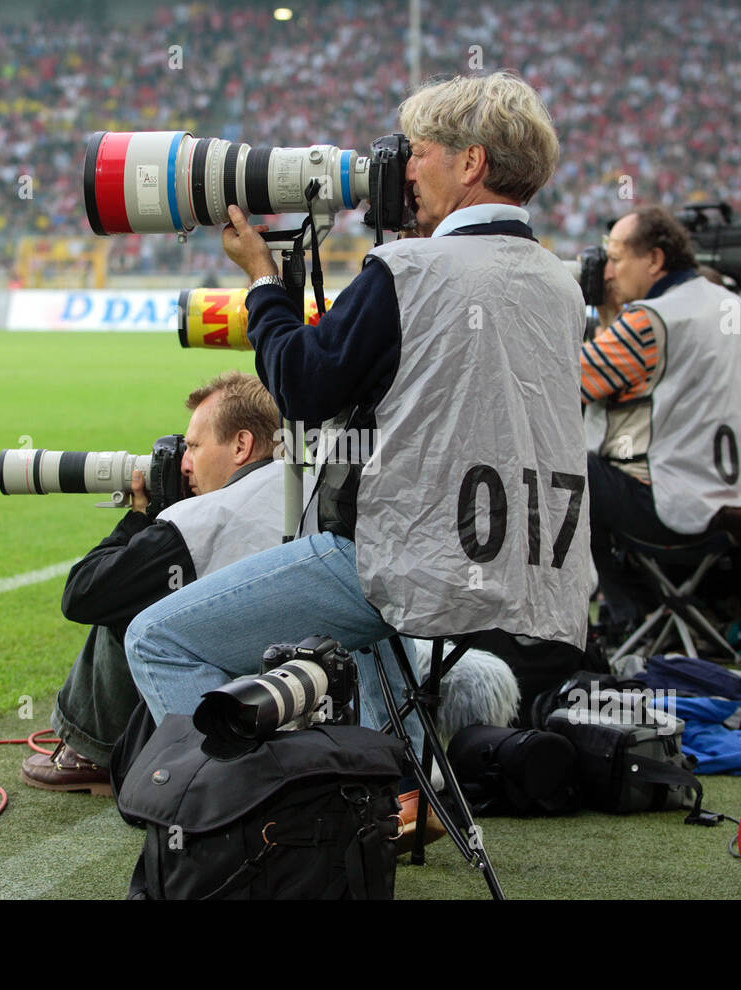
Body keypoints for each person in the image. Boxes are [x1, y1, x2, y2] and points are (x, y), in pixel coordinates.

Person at [123, 72, 589, 735]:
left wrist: (261, 282)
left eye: (418, 152)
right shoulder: (557, 281)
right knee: (365, 643)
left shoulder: (410, 272)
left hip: (404, 563)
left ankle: (239, 807)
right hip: (520, 561)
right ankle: (400, 787)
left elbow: (304, 390)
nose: (400, 170)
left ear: (471, 162)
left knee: (157, 638)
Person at [21, 371, 285, 793]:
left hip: (238, 698)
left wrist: (142, 516)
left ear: (241, 445)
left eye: (195, 446)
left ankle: (91, 752)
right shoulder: (302, 484)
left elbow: (83, 594)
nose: (183, 462)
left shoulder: (201, 521)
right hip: (300, 682)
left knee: (128, 603)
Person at [582, 206, 741, 632]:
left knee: (570, 466)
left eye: (616, 258)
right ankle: (649, 614)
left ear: (654, 260)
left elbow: (569, 383)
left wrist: (606, 313)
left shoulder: (650, 319)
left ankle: (629, 617)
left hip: (677, 507)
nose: (608, 272)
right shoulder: (728, 304)